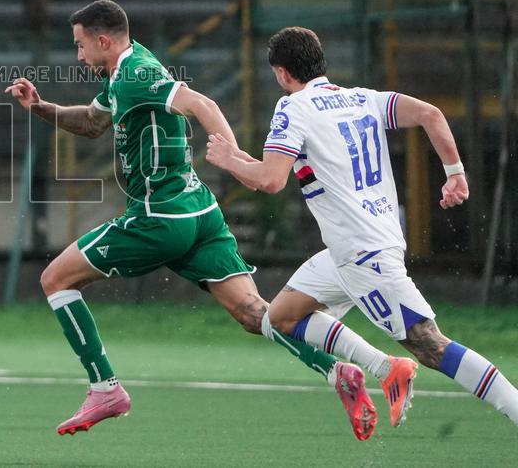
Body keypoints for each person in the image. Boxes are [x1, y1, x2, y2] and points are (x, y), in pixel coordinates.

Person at [4, 0, 384, 440]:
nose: (78, 56)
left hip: (159, 218)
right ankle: (338, 372)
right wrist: (41, 107)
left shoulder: (136, 73)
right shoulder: (124, 70)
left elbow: (202, 104)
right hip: (200, 213)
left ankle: (104, 387)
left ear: (103, 41)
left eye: (80, 46)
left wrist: (236, 159)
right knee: (254, 313)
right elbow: (92, 122)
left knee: (55, 279)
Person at [206, 25, 518, 430]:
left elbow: (270, 180)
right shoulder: (362, 99)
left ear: (282, 73)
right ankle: (387, 368)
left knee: (429, 344)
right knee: (279, 318)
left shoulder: (293, 107)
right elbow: (431, 114)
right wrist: (455, 172)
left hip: (363, 254)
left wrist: (229, 159)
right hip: (355, 247)